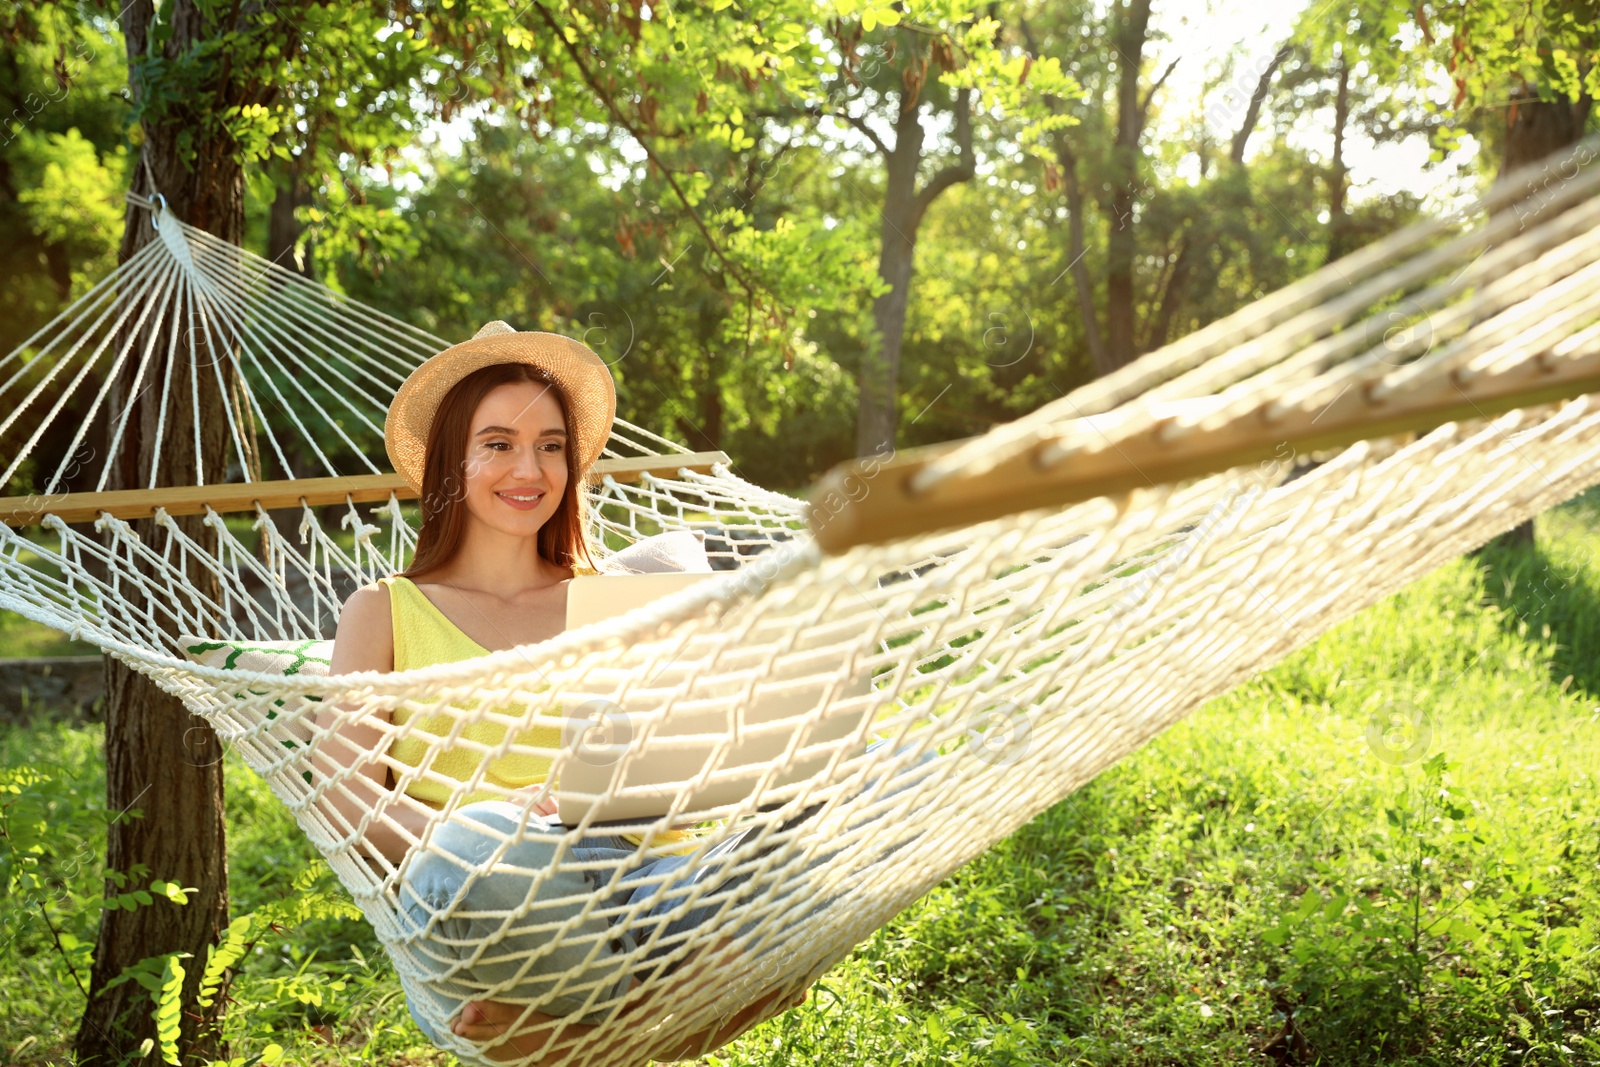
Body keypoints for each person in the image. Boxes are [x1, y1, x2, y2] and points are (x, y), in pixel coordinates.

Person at [315, 322, 812, 1064]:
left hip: (651, 888)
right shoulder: (383, 611)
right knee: (463, 851)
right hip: (491, 899)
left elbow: (694, 767)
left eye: (551, 444)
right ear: (453, 459)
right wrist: (501, 829)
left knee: (897, 771)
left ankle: (587, 1041)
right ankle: (682, 1015)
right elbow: (344, 798)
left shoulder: (618, 600)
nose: (531, 467)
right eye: (499, 443)